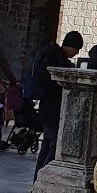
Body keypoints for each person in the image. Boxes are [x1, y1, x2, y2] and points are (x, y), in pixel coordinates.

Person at [31, 29, 83, 181]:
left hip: (48, 108)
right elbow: (50, 85)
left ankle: (37, 181)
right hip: (53, 109)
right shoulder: (56, 60)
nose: (76, 53)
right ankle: (43, 180)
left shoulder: (50, 56)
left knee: (47, 146)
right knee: (53, 147)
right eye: (76, 49)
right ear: (71, 46)